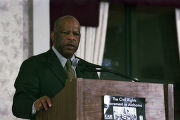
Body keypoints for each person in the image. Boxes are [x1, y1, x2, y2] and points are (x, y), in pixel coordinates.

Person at [12, 16, 99, 120]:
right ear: (53, 36)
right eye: (66, 33)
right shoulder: (33, 65)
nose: (71, 37)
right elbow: (19, 105)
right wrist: (35, 105)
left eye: (76, 34)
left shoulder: (89, 69)